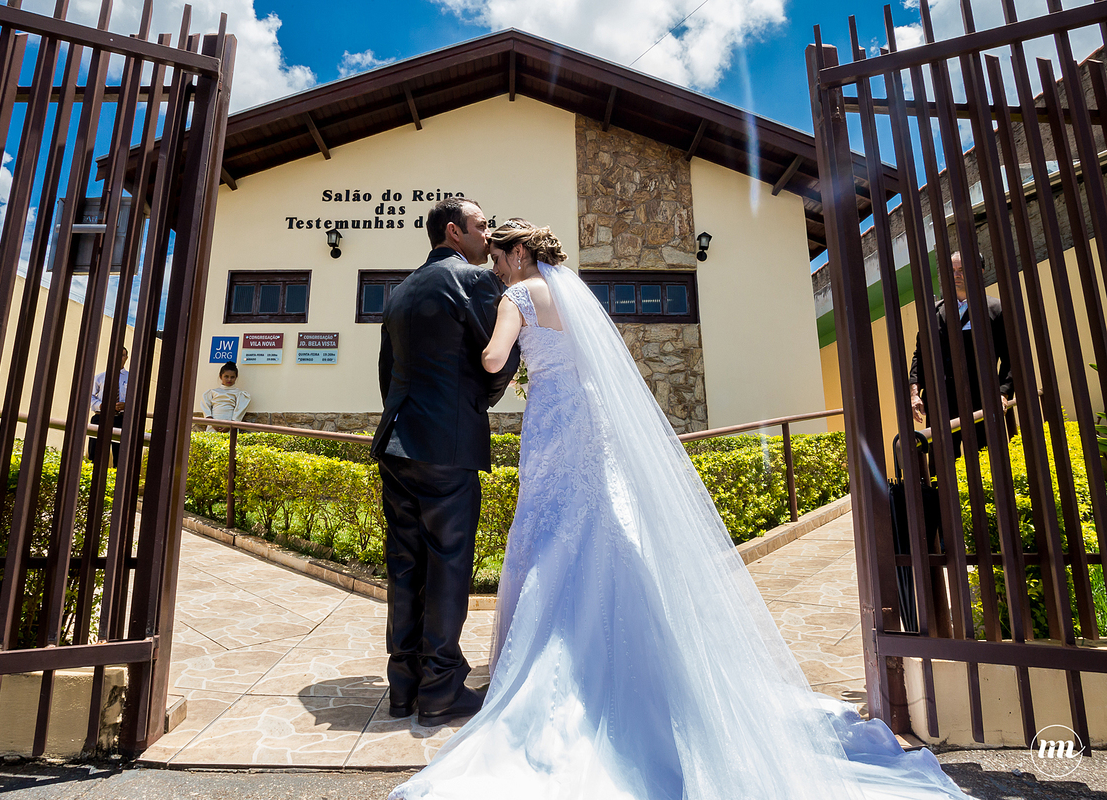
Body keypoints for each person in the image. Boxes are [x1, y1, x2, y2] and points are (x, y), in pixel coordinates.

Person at [388, 221, 965, 800]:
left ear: (517, 253)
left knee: (550, 528)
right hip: (590, 421)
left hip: (554, 425)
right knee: (602, 521)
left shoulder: (517, 295)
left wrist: (471, 354)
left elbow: (491, 360)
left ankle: (559, 658)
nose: (494, 269)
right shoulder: (571, 293)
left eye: (498, 257)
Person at [370, 197, 520, 727]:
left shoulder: (400, 290)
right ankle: (440, 690)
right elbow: (500, 358)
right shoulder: (476, 282)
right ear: (454, 232)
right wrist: (473, 404)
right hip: (445, 447)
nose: (490, 233)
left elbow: (388, 373)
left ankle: (403, 686)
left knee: (406, 566)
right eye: (482, 226)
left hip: (395, 443)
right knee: (449, 566)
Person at [909, 252, 1013, 458]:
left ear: (979, 271)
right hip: (942, 403)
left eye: (962, 270)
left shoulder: (995, 308)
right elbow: (920, 354)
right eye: (952, 270)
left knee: (989, 461)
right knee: (942, 468)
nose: (956, 275)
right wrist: (914, 392)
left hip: (982, 401)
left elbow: (1010, 357)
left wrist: (1002, 393)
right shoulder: (933, 312)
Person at [89, 345, 128, 466]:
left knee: (120, 456)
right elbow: (88, 396)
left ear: (126, 358)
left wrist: (127, 405)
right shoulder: (100, 377)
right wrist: (101, 405)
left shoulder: (132, 378)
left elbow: (138, 399)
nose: (119, 358)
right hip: (100, 418)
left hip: (121, 420)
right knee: (96, 454)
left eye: (122, 355)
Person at [202, 361, 251, 428]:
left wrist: (230, 425)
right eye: (226, 376)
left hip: (230, 426)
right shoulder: (212, 392)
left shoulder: (239, 394)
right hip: (213, 426)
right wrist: (212, 423)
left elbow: (239, 412)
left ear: (236, 377)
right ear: (220, 376)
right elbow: (206, 408)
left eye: (232, 377)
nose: (229, 379)